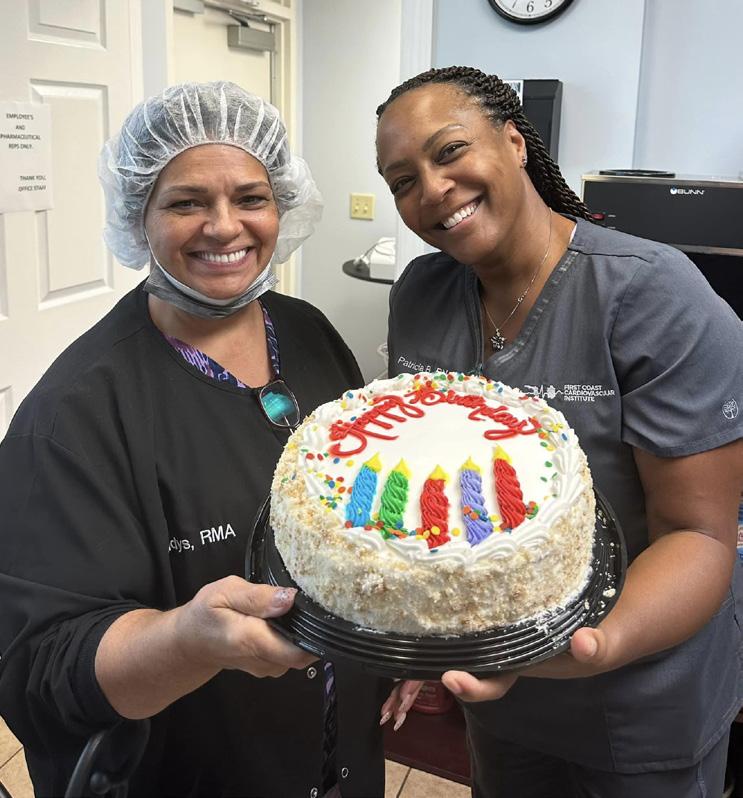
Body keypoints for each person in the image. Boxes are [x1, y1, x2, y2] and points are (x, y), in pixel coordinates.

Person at [0, 81, 389, 797]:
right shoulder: (74, 416)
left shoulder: (309, 332)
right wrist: (186, 640)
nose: (224, 226)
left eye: (250, 197)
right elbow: (39, 676)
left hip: (340, 758)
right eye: (186, 202)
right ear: (138, 215)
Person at [375, 66, 743, 798]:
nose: (433, 189)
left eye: (450, 151)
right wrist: (422, 625)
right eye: (402, 181)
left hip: (639, 695)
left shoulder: (652, 295)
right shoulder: (421, 295)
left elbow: (698, 536)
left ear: (515, 142)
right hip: (496, 691)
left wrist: (587, 647)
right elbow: (425, 484)